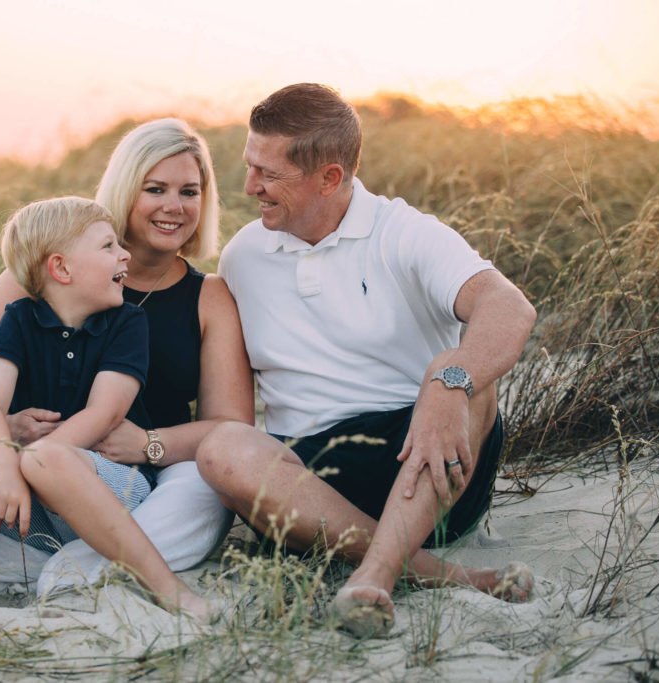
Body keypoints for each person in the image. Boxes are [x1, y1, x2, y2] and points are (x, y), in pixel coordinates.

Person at [0, 119, 253, 611]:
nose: (174, 206)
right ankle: (48, 569)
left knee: (201, 490)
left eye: (190, 191)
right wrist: (0, 433)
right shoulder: (39, 275)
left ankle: (72, 564)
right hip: (16, 464)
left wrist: (148, 444)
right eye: (155, 189)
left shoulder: (207, 296)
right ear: (125, 190)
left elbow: (230, 428)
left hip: (131, 473)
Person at [195, 84, 538, 638]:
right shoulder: (243, 257)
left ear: (329, 178)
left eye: (268, 174)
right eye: (249, 166)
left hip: (426, 463)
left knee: (461, 373)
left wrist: (451, 380)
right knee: (222, 448)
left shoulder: (403, 233)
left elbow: (508, 306)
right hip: (308, 490)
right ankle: (445, 575)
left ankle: (376, 574)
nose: (249, 187)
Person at [0, 195, 216, 618]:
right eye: (108, 247)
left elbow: (105, 412)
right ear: (61, 268)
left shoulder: (127, 323)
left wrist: (30, 463)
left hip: (113, 487)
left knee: (48, 457)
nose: (125, 255)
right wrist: (9, 470)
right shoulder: (18, 318)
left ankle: (169, 588)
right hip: (30, 501)